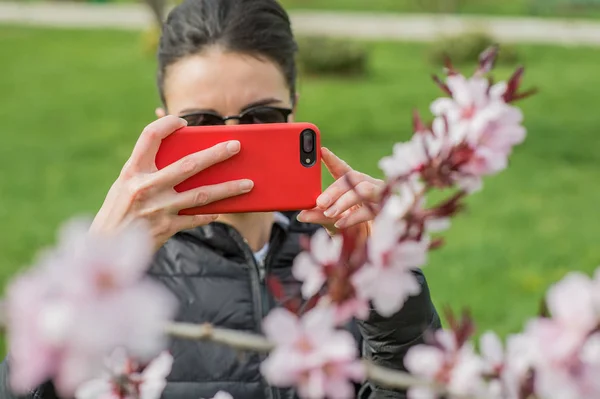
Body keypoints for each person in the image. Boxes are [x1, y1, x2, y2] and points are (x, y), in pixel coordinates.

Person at [0, 0, 441, 398]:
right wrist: (92, 269)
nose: (233, 146)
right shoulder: (124, 274)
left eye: (261, 117)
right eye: (202, 123)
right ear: (162, 124)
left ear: (294, 109)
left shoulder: (341, 260)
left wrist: (388, 284)